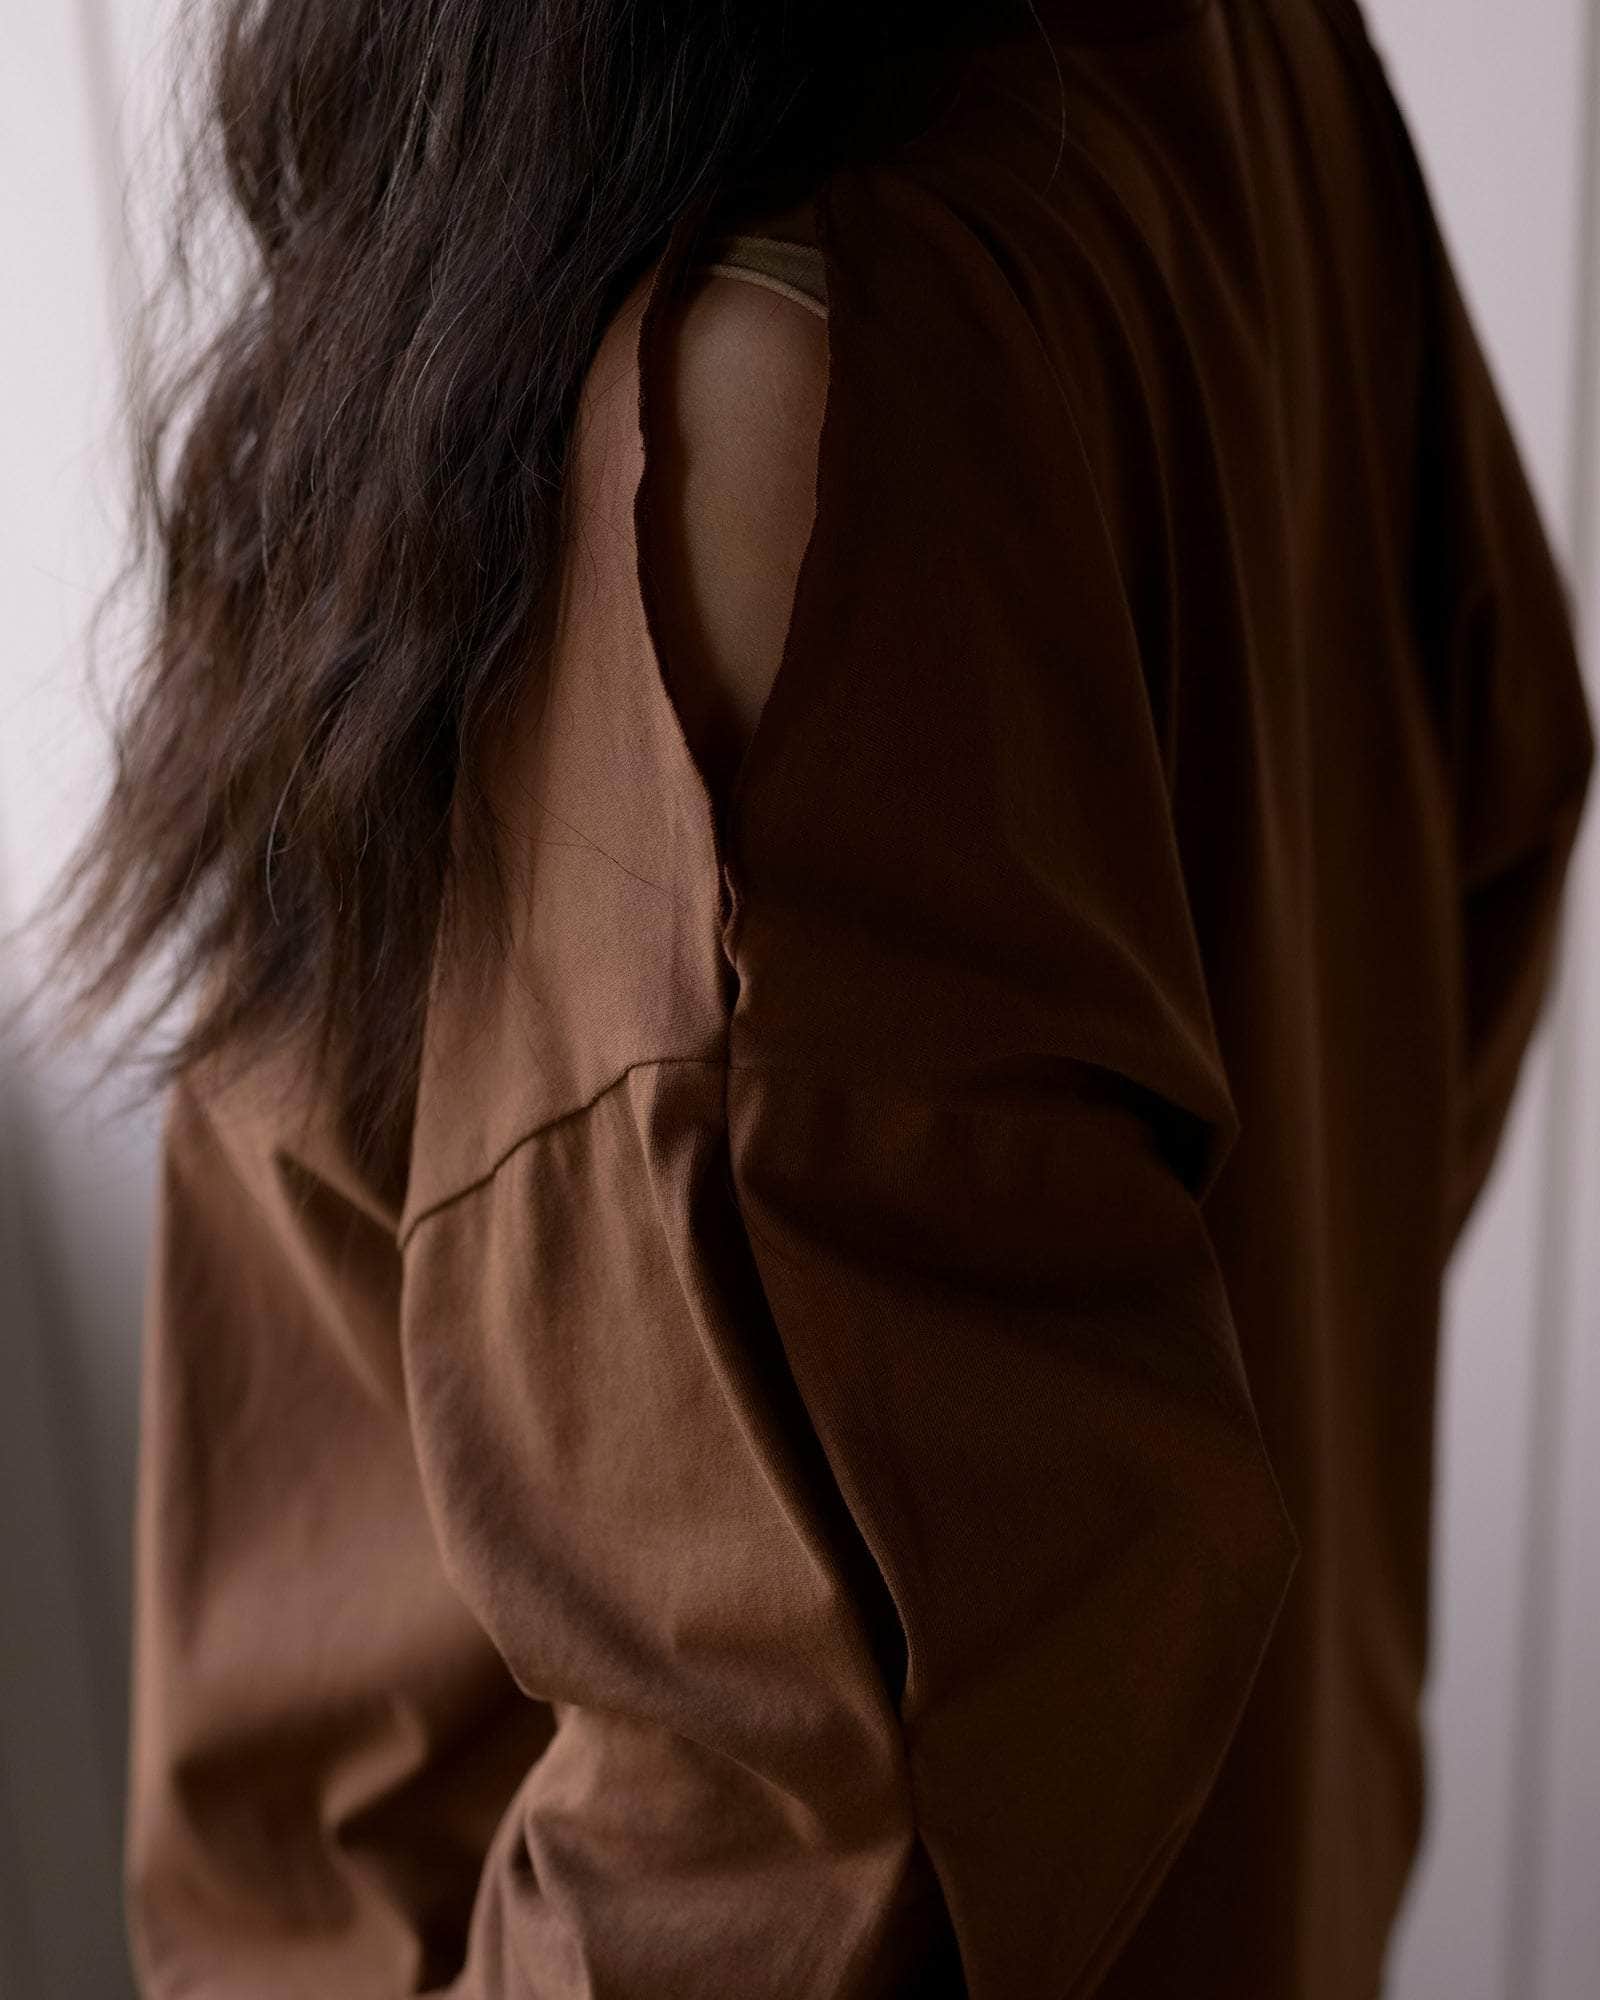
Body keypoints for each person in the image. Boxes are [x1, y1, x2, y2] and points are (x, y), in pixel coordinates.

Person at [12, 0, 1593, 1992]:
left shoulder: (756, 419)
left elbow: (779, 1843)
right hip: (1270, 1881)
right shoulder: (1224, 54)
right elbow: (1488, 807)